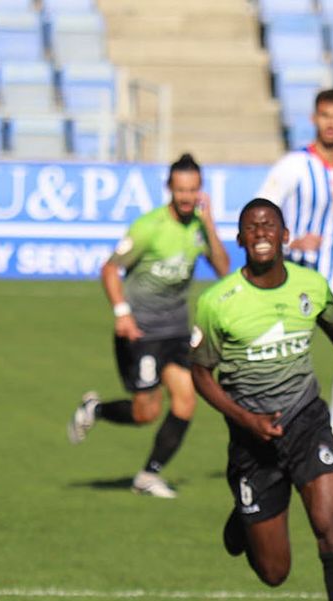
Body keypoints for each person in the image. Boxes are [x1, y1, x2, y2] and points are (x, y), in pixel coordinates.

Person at [189, 198, 333, 601]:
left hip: (306, 424)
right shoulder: (218, 303)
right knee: (275, 573)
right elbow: (200, 374)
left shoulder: (310, 286)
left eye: (269, 224)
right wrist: (243, 418)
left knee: (330, 524)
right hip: (252, 441)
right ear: (240, 239)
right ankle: (243, 518)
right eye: (251, 226)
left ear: (284, 234)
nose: (260, 231)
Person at [67, 153, 230, 498]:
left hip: (176, 331)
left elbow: (222, 268)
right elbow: (110, 269)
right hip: (140, 332)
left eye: (193, 190)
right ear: (169, 188)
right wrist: (122, 312)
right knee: (146, 413)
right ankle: (95, 409)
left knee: (186, 400)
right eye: (180, 189)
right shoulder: (148, 227)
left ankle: (147, 475)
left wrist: (211, 225)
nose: (186, 197)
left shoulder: (200, 227)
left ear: (201, 190)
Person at [255, 88, 333, 480]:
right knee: (281, 365)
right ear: (313, 118)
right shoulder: (293, 165)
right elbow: (260, 211)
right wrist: (290, 238)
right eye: (324, 115)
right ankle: (272, 443)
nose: (330, 122)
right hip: (297, 278)